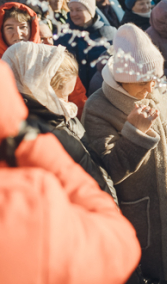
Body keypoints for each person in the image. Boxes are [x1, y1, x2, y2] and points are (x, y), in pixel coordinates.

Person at [0, 61, 140, 284]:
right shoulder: (30, 199)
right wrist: (36, 147)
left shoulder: (66, 120)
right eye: (60, 97)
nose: (68, 104)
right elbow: (117, 245)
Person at [83, 24, 167, 284]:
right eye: (141, 82)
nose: (150, 89)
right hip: (140, 216)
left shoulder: (159, 90)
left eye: (154, 80)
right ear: (120, 77)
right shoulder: (98, 107)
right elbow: (109, 171)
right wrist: (135, 133)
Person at [2, 42, 116, 199]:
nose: (67, 101)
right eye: (61, 94)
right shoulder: (39, 133)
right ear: (38, 89)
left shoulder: (61, 115)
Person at [56, 0, 116, 90]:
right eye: (71, 10)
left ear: (91, 12)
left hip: (102, 89)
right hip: (73, 91)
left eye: (79, 10)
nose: (74, 14)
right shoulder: (63, 35)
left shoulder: (108, 32)